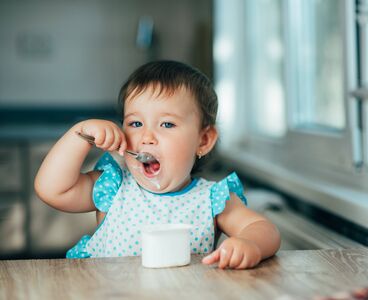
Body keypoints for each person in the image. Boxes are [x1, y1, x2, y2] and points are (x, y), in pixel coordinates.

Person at [34, 60, 281, 269]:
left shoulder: (212, 199)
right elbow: (52, 189)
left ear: (203, 141)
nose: (147, 137)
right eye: (136, 124)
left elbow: (262, 228)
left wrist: (250, 244)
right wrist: (80, 134)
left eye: (167, 124)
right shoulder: (113, 187)